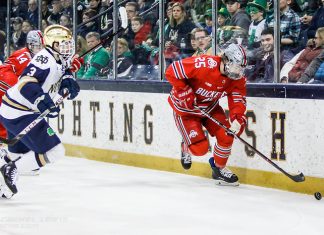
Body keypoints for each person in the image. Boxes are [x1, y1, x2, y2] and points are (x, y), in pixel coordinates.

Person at [0, 25, 80, 199]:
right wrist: (41, 100)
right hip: (20, 112)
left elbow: (63, 70)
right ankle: (9, 170)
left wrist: (67, 80)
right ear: (53, 43)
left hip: (13, 110)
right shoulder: (44, 59)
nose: (68, 47)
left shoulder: (57, 56)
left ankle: (3, 184)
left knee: (17, 154)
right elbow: (25, 82)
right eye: (64, 43)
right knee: (55, 152)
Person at [165, 43, 247, 186]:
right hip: (186, 111)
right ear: (226, 60)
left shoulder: (236, 78)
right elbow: (172, 70)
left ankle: (218, 168)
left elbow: (237, 98)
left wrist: (237, 117)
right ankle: (186, 145)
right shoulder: (204, 64)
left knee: (227, 134)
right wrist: (183, 89)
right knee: (200, 149)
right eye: (235, 66)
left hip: (210, 108)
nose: (237, 72)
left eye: (240, 68)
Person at [0, 30, 45, 139]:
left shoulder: (33, 55)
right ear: (30, 45)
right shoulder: (25, 56)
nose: (41, 49)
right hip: (4, 80)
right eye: (38, 46)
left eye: (43, 46)